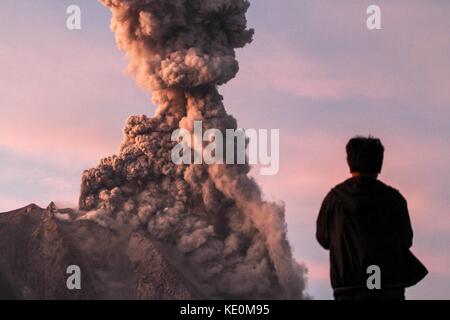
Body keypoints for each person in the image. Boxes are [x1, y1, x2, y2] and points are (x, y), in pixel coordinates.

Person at [316, 136, 427, 300]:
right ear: (379, 164)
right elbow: (407, 241)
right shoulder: (394, 199)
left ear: (349, 162)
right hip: (387, 291)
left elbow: (323, 239)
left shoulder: (334, 199)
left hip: (348, 292)